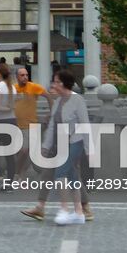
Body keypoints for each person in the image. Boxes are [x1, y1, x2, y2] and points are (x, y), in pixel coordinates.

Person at [34, 69, 89, 225]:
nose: (54, 84)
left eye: (57, 81)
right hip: (61, 142)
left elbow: (85, 124)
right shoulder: (58, 101)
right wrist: (46, 146)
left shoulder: (77, 100)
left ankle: (64, 209)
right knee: (72, 177)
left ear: (64, 83)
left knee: (60, 173)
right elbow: (52, 125)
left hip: (75, 141)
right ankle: (79, 212)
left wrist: (89, 149)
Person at [12, 63, 47, 179]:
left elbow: (49, 97)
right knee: (21, 152)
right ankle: (20, 175)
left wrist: (51, 114)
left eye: (26, 75)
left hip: (31, 126)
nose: (25, 77)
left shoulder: (34, 87)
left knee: (25, 150)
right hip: (16, 125)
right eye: (22, 75)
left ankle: (17, 173)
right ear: (17, 77)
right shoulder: (13, 89)